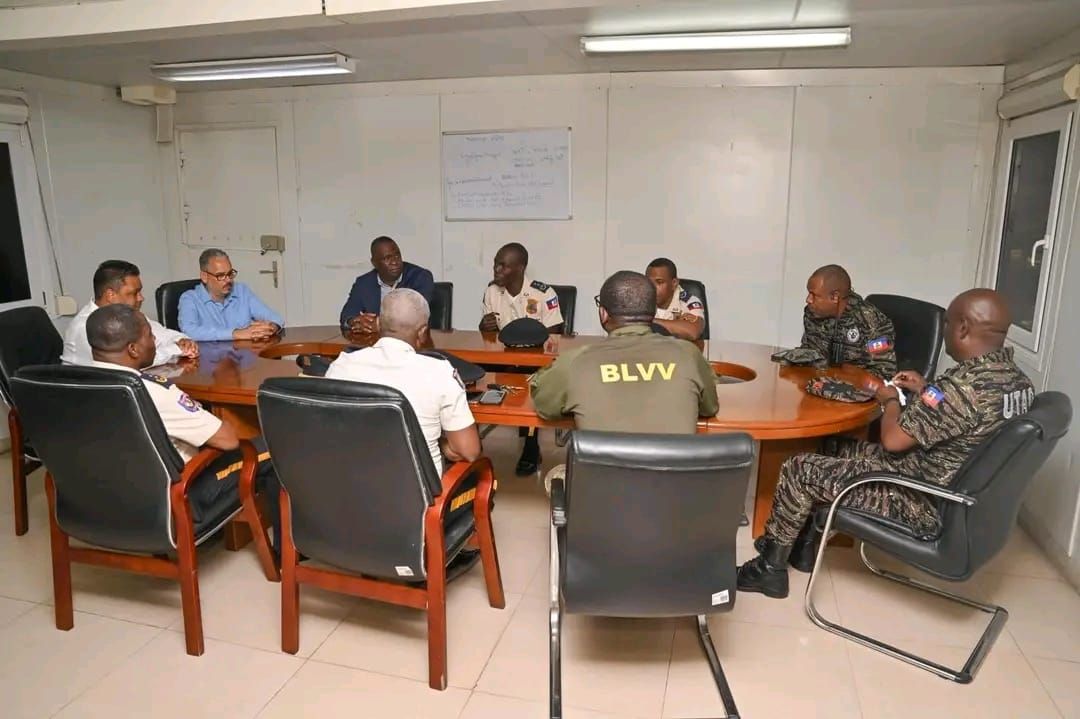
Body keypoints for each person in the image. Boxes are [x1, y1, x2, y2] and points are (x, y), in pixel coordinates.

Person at [737, 288, 1034, 599]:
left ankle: (769, 571)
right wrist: (925, 389)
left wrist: (890, 400)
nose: (945, 330)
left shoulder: (962, 389)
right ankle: (803, 547)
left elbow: (892, 440)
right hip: (943, 485)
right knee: (830, 446)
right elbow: (962, 415)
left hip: (918, 499)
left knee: (800, 468)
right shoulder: (1017, 383)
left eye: (948, 323)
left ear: (962, 328)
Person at [85, 304, 280, 559]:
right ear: (133, 349)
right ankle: (283, 553)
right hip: (177, 501)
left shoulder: (74, 385)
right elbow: (228, 441)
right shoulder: (153, 391)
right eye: (149, 335)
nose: (155, 341)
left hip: (99, 505)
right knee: (276, 445)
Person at [532, 269, 718, 431]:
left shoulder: (575, 362)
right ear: (653, 313)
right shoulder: (688, 355)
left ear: (603, 314)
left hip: (601, 462)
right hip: (673, 462)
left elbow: (545, 407)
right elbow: (709, 407)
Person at [327, 288, 480, 477]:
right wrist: (439, 443)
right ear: (423, 332)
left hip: (348, 486)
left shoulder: (341, 366)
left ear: (378, 323)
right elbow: (469, 451)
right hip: (417, 493)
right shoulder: (439, 372)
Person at [479, 242, 563, 476]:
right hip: (503, 358)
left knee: (531, 382)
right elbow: (488, 337)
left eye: (503, 266)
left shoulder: (543, 293)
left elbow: (555, 334)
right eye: (495, 264)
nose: (496, 270)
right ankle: (471, 440)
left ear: (520, 268)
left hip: (535, 360)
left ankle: (531, 446)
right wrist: (484, 326)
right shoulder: (491, 291)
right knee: (471, 376)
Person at [63, 260, 199, 366]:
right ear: (110, 295)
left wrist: (182, 341)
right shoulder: (85, 326)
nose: (141, 298)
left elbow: (163, 334)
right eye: (134, 293)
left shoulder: (127, 315)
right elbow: (129, 363)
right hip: (93, 392)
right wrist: (175, 350)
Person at [800, 264, 896, 379]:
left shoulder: (870, 322)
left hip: (854, 386)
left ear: (835, 297)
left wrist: (845, 376)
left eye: (814, 295)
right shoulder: (813, 312)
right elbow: (809, 353)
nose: (808, 300)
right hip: (820, 381)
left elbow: (883, 372)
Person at [178, 248, 284, 341]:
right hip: (212, 357)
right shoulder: (190, 299)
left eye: (230, 274)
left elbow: (275, 318)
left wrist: (271, 328)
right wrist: (235, 334)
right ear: (204, 277)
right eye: (220, 275)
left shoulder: (241, 291)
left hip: (244, 355)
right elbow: (189, 332)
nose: (228, 280)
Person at [339, 236, 435, 334]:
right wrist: (355, 322)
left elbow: (415, 315)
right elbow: (347, 314)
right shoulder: (364, 283)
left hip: (412, 340)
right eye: (387, 258)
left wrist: (380, 324)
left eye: (397, 255)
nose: (394, 262)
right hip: (374, 341)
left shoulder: (420, 277)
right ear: (374, 263)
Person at [646, 257, 706, 341]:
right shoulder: (640, 299)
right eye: (649, 282)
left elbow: (693, 331)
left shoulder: (688, 302)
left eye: (659, 282)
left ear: (674, 283)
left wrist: (646, 321)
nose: (652, 288)